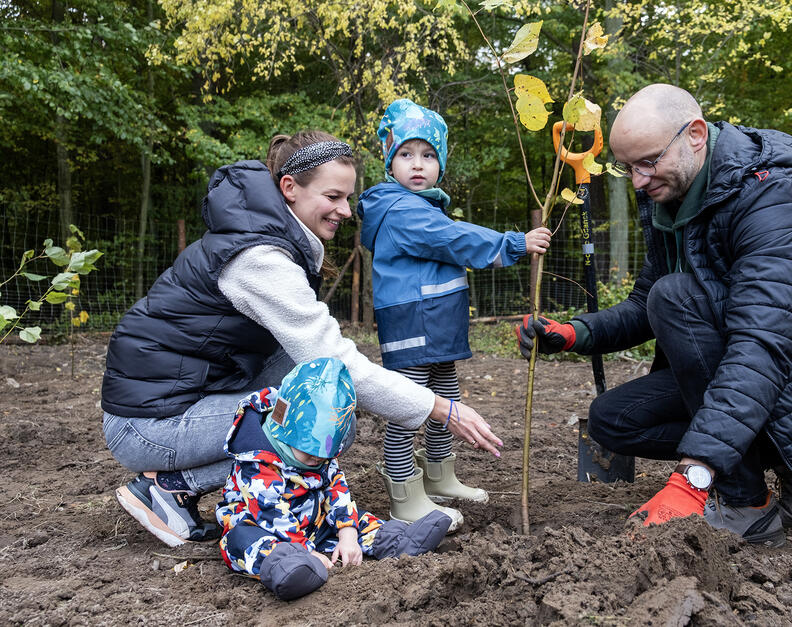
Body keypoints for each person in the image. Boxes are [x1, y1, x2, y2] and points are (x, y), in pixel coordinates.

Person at [517, 84, 792, 546]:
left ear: (695, 135)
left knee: (676, 298)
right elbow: (643, 303)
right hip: (768, 364)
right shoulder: (671, 195)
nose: (637, 180)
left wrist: (694, 476)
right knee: (616, 418)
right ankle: (767, 459)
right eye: (626, 167)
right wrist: (576, 333)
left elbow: (761, 342)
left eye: (648, 162)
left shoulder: (772, 198)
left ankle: (744, 501)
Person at [102, 129, 502, 548]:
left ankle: (182, 488)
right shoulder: (259, 258)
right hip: (147, 425)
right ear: (289, 188)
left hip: (182, 396)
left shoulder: (267, 234)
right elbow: (338, 361)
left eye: (348, 198)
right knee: (327, 417)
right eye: (333, 197)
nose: (346, 210)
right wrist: (441, 408)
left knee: (323, 386)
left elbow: (323, 363)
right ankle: (170, 486)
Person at [357, 99, 551, 527]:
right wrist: (512, 244)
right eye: (406, 154)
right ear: (390, 163)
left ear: (441, 163)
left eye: (428, 155)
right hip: (414, 321)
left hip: (436, 320)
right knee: (409, 404)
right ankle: (403, 489)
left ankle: (440, 475)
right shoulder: (400, 210)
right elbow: (453, 238)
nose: (418, 164)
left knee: (446, 394)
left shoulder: (422, 205)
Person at [217, 358, 451, 601]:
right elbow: (270, 513)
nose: (316, 460)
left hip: (313, 521)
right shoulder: (256, 462)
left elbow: (336, 487)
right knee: (244, 542)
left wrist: (347, 533)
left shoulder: (320, 457)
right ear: (284, 430)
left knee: (354, 517)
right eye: (309, 454)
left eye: (324, 457)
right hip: (266, 526)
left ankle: (396, 541)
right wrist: (305, 549)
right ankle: (289, 567)